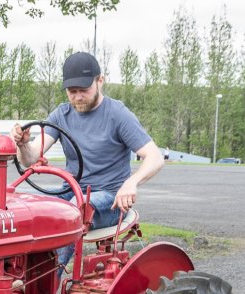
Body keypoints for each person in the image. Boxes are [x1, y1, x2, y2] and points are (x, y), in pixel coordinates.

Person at [12, 51, 164, 274]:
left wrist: (131, 182)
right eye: (72, 92)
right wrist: (23, 144)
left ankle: (48, 286)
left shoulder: (117, 114)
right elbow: (31, 159)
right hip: (71, 191)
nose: (78, 97)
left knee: (72, 210)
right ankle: (18, 277)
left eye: (84, 90)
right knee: (28, 206)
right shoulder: (61, 115)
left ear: (99, 81)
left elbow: (155, 157)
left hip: (109, 198)